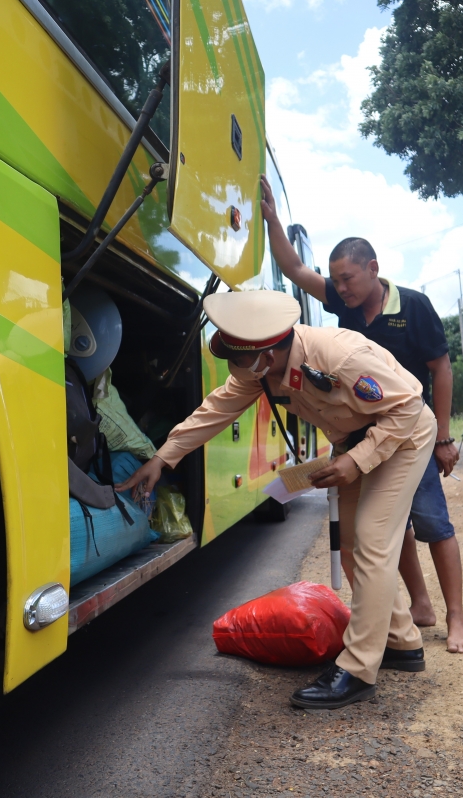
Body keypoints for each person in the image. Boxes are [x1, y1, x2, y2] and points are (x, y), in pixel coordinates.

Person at [118, 289, 435, 709]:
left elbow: (407, 409)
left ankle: (359, 669)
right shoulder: (260, 370)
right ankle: (400, 641)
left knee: (374, 539)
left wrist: (356, 462)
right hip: (355, 441)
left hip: (402, 436)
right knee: (351, 548)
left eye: (240, 361)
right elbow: (215, 409)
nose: (237, 370)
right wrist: (163, 457)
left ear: (267, 354)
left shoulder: (337, 356)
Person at [260, 175, 463, 654]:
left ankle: (458, 618)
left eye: (347, 279)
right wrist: (273, 219)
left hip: (405, 429)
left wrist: (443, 437)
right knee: (385, 526)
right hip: (360, 433)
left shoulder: (414, 307)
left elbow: (441, 370)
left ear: (373, 269)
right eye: (334, 281)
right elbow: (294, 268)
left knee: (432, 521)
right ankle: (420, 605)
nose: (338, 290)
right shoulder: (343, 301)